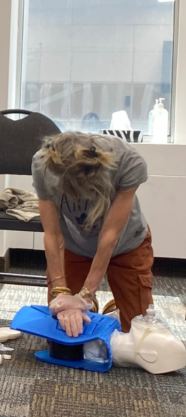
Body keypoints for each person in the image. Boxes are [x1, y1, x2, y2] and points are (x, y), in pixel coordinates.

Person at [34, 131, 153, 337]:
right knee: (62, 335)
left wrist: (86, 295)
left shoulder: (129, 162)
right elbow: (52, 235)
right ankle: (96, 306)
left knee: (139, 335)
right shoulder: (43, 164)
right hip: (74, 246)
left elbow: (110, 236)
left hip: (126, 244)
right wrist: (62, 292)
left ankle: (116, 306)